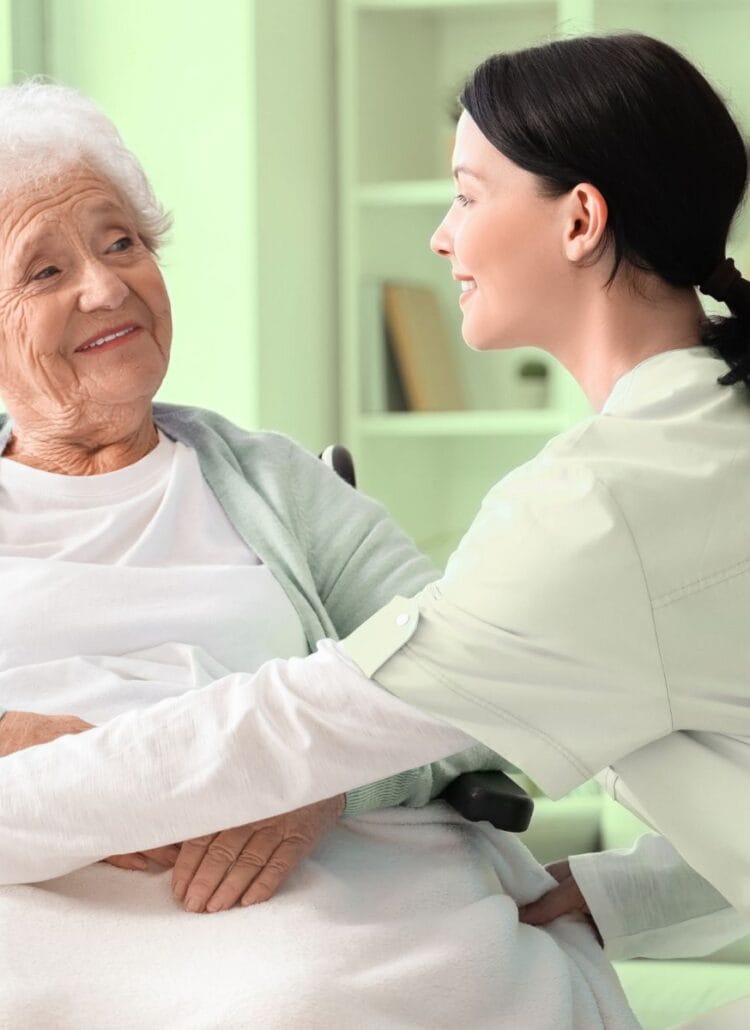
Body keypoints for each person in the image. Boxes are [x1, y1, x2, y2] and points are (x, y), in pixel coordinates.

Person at [2, 26, 749, 974]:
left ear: (579, 221)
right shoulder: (683, 448)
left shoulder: (599, 509)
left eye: (468, 195)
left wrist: (312, 785)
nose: (441, 233)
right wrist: (622, 892)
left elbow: (320, 725)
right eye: (44, 268)